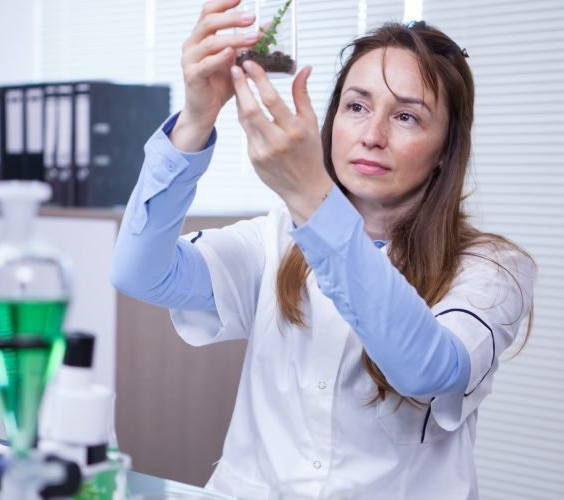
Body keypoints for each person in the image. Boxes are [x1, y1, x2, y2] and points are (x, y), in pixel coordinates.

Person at [111, 0, 535, 497]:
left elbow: (428, 372)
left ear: (445, 150)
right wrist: (195, 120)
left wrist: (311, 197)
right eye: (357, 106)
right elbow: (140, 273)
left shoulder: (492, 269)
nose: (372, 136)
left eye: (406, 117)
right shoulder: (274, 240)